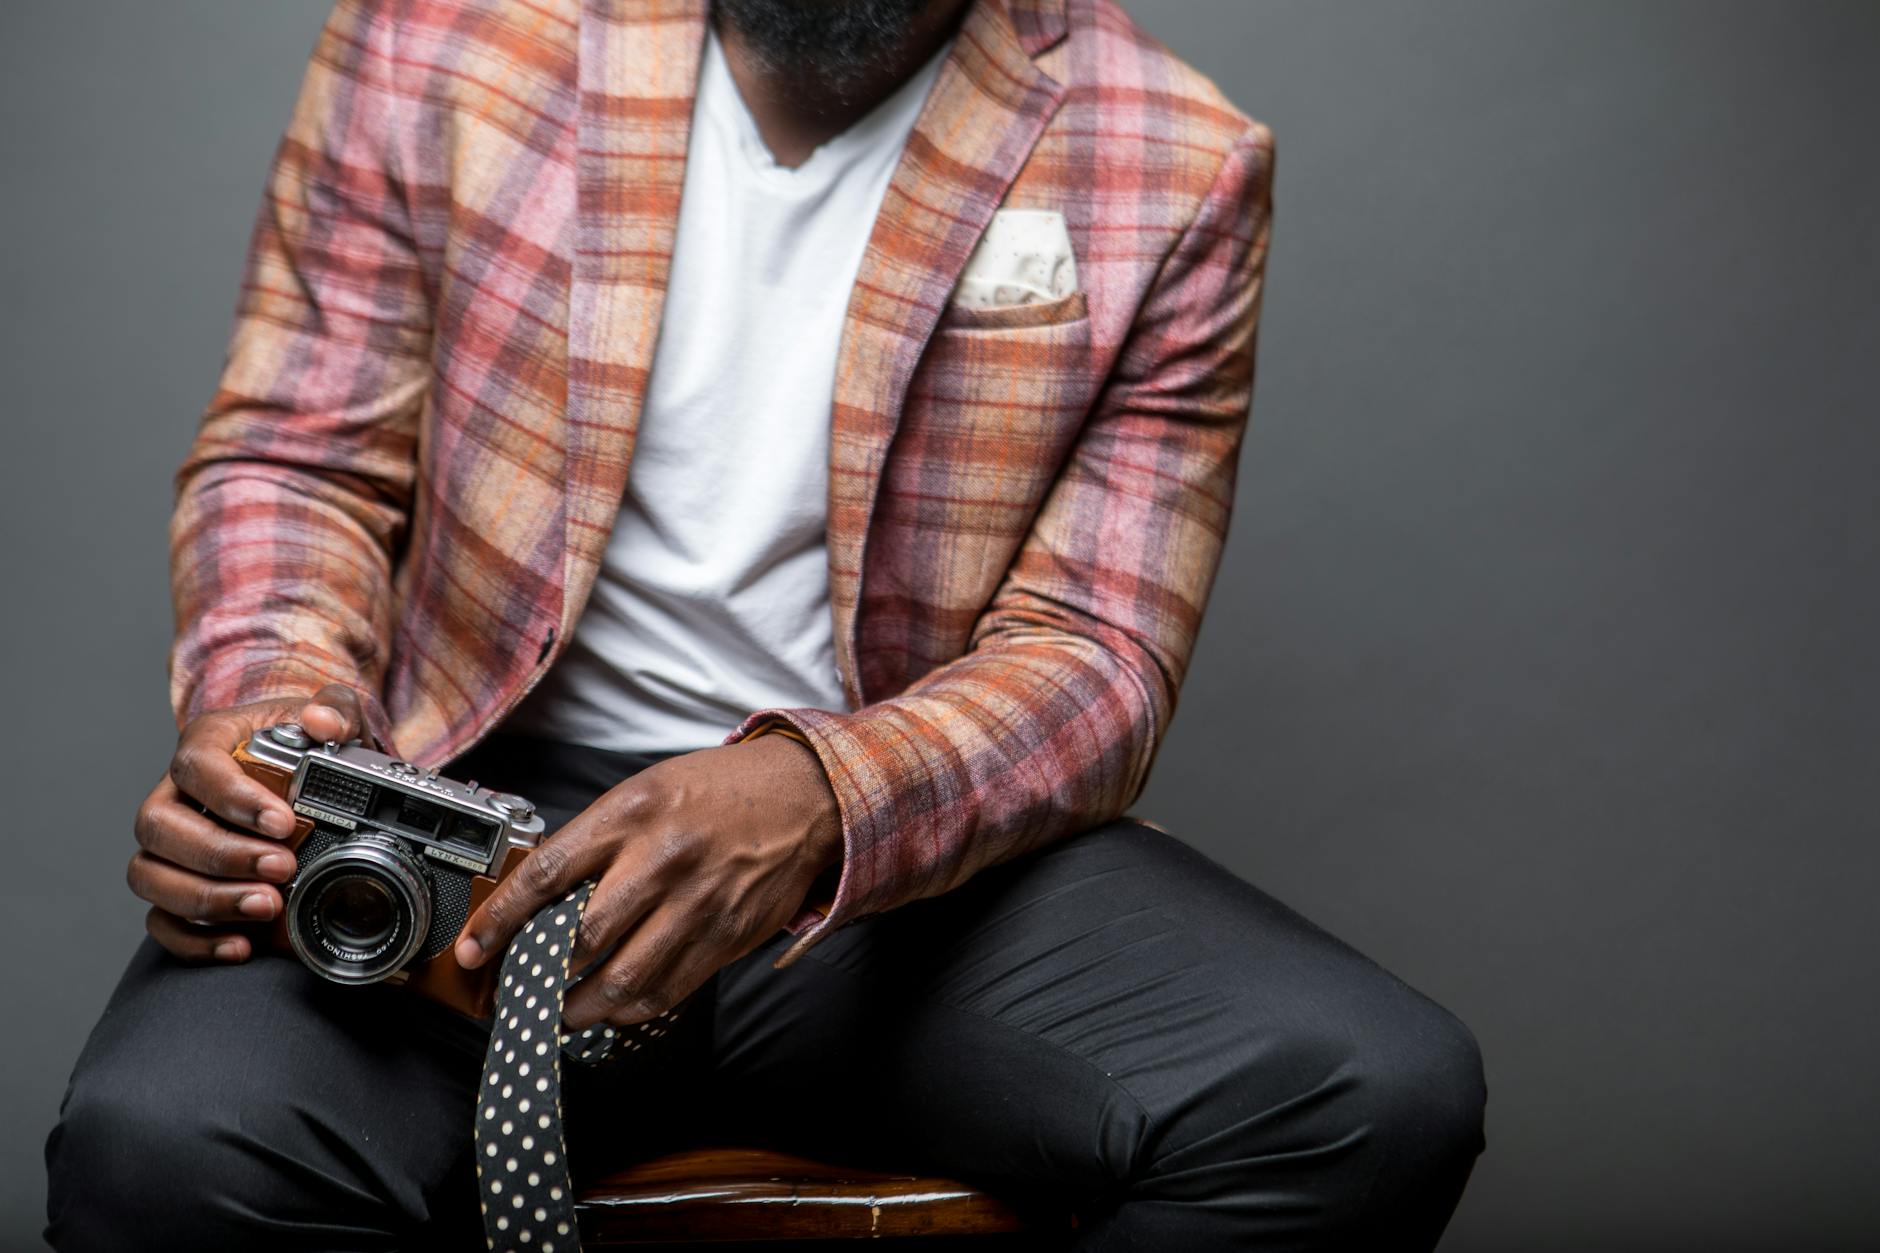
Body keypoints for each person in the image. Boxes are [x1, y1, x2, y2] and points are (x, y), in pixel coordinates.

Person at [45, 0, 1485, 1248]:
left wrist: (815, 794)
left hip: (900, 880)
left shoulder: (1174, 160)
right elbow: (300, 460)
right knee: (168, 1144)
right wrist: (278, 731)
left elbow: (1099, 651)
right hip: (465, 831)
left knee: (1365, 1090)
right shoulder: (441, 39)